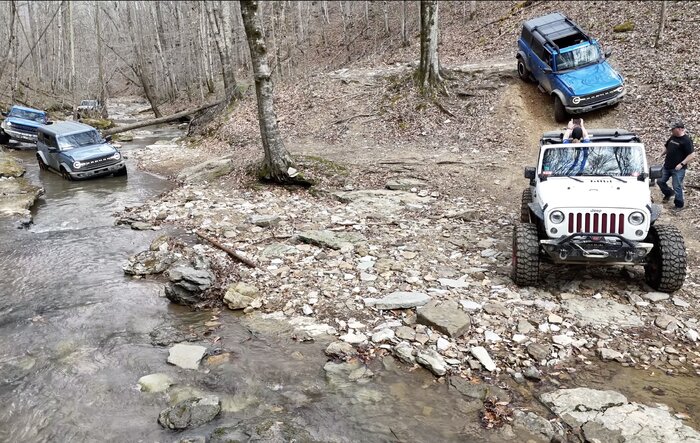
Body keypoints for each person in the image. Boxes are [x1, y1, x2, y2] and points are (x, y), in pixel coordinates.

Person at [657, 121, 695, 210]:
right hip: (667, 166)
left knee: (677, 186)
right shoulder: (673, 137)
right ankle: (668, 193)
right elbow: (667, 147)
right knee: (660, 181)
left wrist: (682, 164)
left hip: (678, 169)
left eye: (673, 129)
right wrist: (660, 154)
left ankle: (679, 205)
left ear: (679, 129)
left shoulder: (686, 140)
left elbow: (692, 155)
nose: (671, 131)